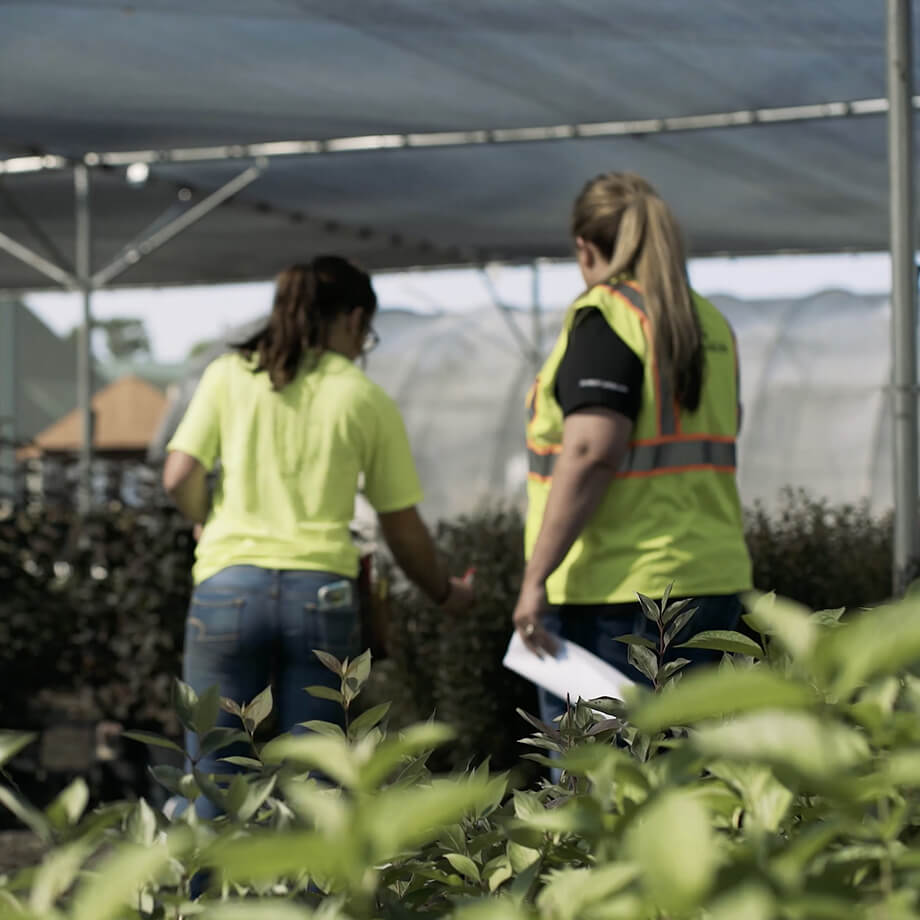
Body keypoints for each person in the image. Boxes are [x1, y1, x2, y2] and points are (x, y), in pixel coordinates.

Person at [163, 255, 473, 815]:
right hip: (320, 596)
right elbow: (401, 527)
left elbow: (179, 473)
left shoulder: (230, 375)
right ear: (354, 320)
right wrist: (446, 593)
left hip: (226, 587)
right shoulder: (362, 396)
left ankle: (208, 902)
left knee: (215, 775)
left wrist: (204, 517)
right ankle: (316, 899)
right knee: (321, 782)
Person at [511, 172, 753, 725]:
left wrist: (533, 580)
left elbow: (591, 452)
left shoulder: (606, 319)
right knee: (688, 779)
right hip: (710, 583)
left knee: (604, 789)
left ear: (585, 248)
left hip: (620, 595)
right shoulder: (710, 323)